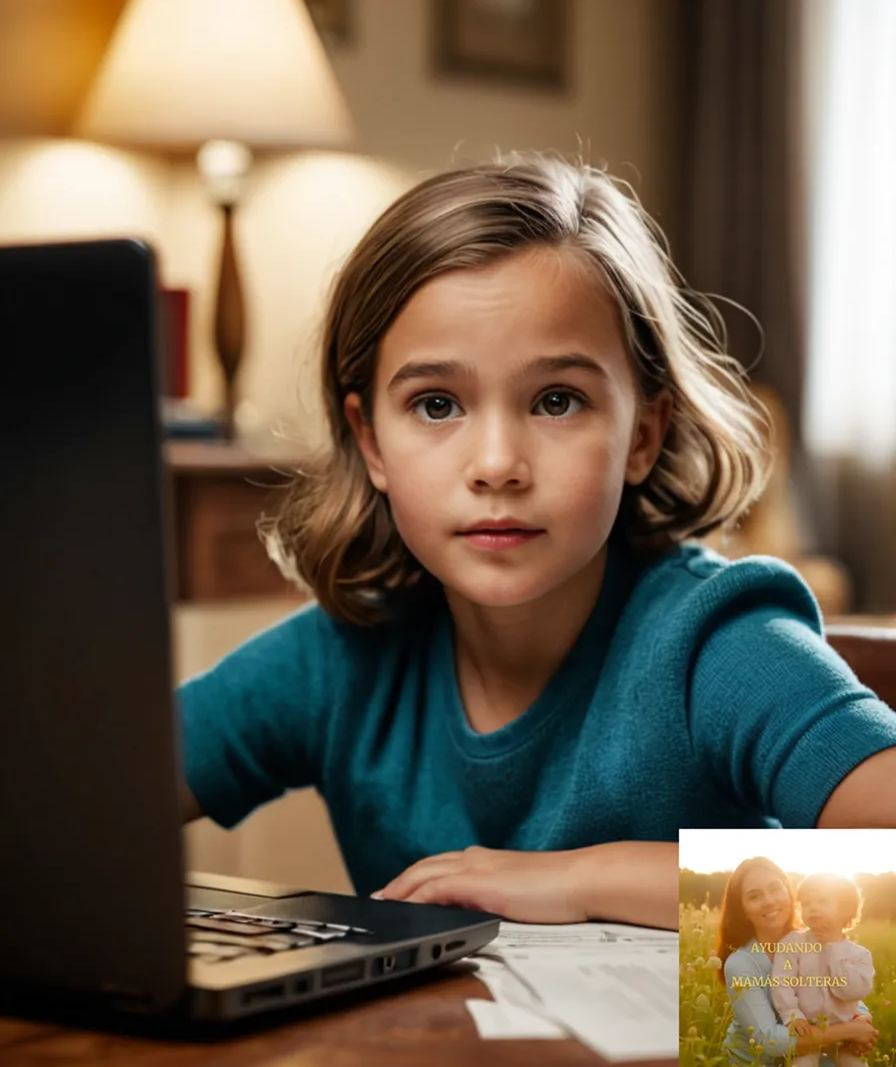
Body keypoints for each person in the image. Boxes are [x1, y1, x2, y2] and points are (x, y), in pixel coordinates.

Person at [176, 153, 896, 929]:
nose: (496, 466)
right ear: (371, 442)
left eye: (557, 400)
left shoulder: (719, 645)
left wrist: (588, 880)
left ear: (642, 435)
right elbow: (79, 808)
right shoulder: (338, 661)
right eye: (436, 404)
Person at [717, 858, 878, 1067]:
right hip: (756, 1065)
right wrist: (849, 1031)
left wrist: (862, 1018)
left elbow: (837, 989)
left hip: (808, 1050)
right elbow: (768, 1040)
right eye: (754, 896)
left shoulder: (814, 939)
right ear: (743, 910)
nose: (769, 901)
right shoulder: (741, 963)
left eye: (775, 889)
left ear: (788, 892)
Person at [770, 873, 874, 1067]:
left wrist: (833, 947)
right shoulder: (792, 944)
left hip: (845, 1034)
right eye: (806, 903)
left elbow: (852, 992)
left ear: (846, 910)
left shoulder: (859, 955)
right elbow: (781, 983)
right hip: (808, 1030)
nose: (813, 908)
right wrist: (793, 1016)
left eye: (823, 901)